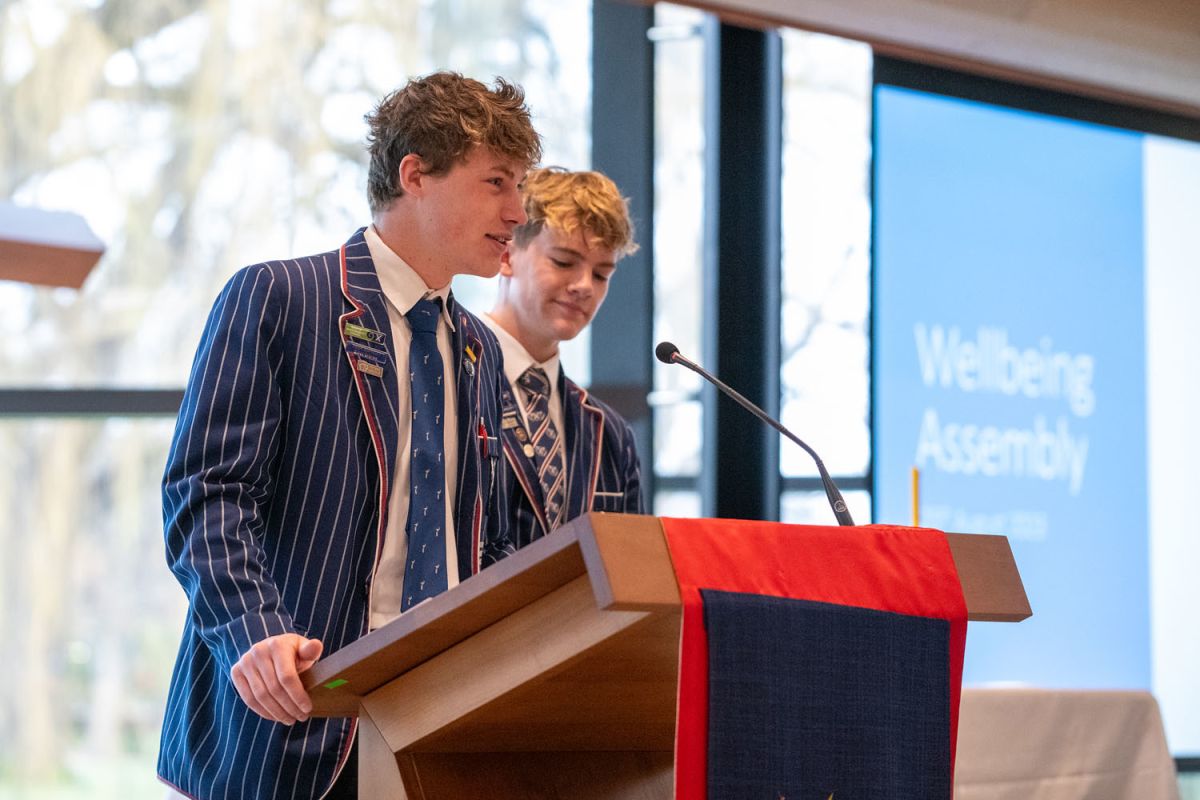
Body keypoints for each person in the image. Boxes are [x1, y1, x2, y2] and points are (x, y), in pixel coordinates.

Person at [156, 72, 541, 800]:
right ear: (415, 174)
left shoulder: (478, 350)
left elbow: (482, 539)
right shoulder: (278, 298)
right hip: (291, 721)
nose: (518, 212)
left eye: (520, 187)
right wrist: (253, 632)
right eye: (497, 183)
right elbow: (206, 496)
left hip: (440, 725)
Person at [482, 167, 643, 549]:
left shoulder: (611, 435)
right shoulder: (446, 382)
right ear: (506, 255)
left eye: (602, 274)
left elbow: (631, 577)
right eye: (563, 262)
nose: (584, 286)